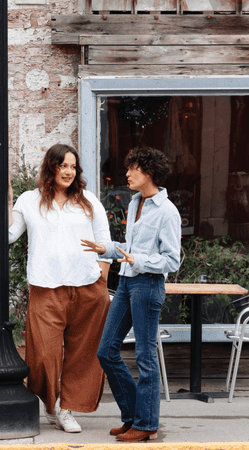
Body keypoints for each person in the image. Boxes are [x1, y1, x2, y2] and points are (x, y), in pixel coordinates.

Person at [7, 143, 112, 434]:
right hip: (46, 286)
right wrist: (6, 200)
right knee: (43, 354)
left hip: (88, 288)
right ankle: (50, 401)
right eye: (62, 165)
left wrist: (101, 280)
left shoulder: (88, 200)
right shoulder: (29, 200)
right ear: (50, 167)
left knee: (83, 353)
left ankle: (66, 409)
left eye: (72, 166)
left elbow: (105, 242)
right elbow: (8, 236)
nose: (68, 171)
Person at [81, 146, 181, 442]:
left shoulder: (167, 211)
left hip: (148, 285)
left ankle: (146, 424)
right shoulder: (136, 202)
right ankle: (133, 416)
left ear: (147, 172)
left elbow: (172, 260)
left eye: (132, 168)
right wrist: (106, 249)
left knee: (145, 357)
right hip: (126, 283)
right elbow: (129, 248)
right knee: (106, 351)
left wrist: (140, 261)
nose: (127, 174)